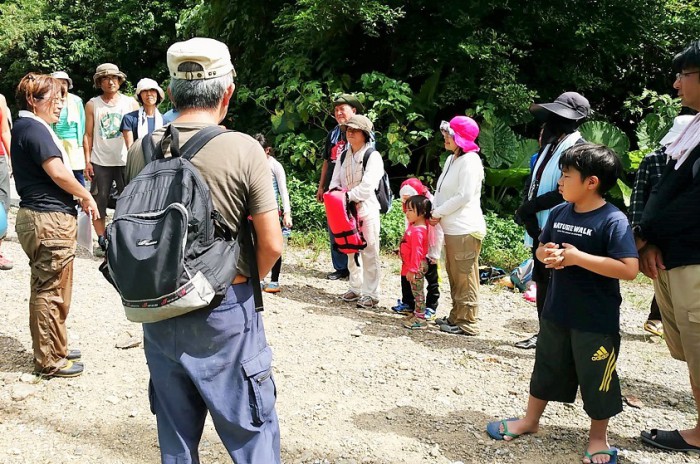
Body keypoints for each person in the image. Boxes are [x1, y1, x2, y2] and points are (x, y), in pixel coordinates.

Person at [124, 37, 282, 463]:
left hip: (156, 307)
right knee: (251, 434)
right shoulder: (244, 148)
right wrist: (245, 277)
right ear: (226, 92)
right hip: (224, 309)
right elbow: (271, 243)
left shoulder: (141, 149)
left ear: (172, 92)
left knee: (175, 440)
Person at [486, 143, 638, 464]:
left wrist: (579, 258)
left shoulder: (613, 220)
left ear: (591, 182)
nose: (560, 182)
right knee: (546, 366)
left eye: (566, 175)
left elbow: (629, 268)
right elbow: (541, 250)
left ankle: (598, 438)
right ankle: (529, 420)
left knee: (598, 378)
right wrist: (548, 255)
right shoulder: (558, 211)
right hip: (556, 310)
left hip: (595, 320)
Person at [11, 73, 100, 377]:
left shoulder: (29, 128)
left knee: (50, 287)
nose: (61, 104)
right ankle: (50, 359)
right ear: (32, 101)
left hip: (41, 218)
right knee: (51, 290)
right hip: (48, 221)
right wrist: (85, 194)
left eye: (62, 97)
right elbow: (59, 173)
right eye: (55, 97)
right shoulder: (34, 130)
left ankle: (55, 347)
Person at [638, 40, 700, 454]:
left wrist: (648, 232)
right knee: (692, 351)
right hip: (675, 256)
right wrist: (646, 239)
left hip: (695, 258)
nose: (675, 83)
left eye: (683, 74)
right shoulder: (691, 128)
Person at [513, 92, 590, 350]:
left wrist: (531, 207)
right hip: (541, 225)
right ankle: (545, 333)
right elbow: (534, 181)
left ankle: (558, 337)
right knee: (542, 280)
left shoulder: (577, 149)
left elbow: (565, 191)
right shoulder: (550, 146)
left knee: (558, 283)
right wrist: (528, 213)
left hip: (561, 225)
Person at [629, 111, 694, 337]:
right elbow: (638, 201)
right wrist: (642, 240)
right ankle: (657, 318)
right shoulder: (653, 160)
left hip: (686, 240)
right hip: (653, 235)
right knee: (660, 275)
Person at [431, 116, 486, 336]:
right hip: (452, 228)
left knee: (465, 276)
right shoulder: (453, 158)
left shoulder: (471, 161)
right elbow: (443, 191)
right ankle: (457, 315)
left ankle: (467, 322)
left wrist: (437, 212)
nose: (445, 137)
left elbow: (463, 196)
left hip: (464, 229)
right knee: (454, 274)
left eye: (450, 134)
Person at [328, 114, 383, 309]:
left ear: (365, 134)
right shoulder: (343, 154)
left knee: (369, 250)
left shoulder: (372, 156)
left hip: (366, 208)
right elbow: (335, 181)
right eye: (348, 130)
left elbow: (368, 187)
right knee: (350, 248)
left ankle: (372, 293)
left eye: (354, 130)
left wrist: (344, 196)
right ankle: (355, 287)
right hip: (346, 210)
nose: (349, 133)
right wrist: (337, 196)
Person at [84, 63, 138, 251]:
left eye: (114, 78)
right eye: (106, 78)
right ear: (99, 82)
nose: (111, 82)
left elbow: (138, 132)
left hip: (125, 159)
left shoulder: (130, 102)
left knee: (129, 199)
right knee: (99, 200)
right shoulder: (93, 104)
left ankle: (125, 238)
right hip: (100, 160)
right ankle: (101, 240)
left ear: (120, 81)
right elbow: (88, 134)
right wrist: (87, 161)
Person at [316, 94, 364, 281]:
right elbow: (327, 161)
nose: (338, 113)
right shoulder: (333, 134)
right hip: (334, 189)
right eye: (336, 110)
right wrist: (322, 186)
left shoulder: (364, 130)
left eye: (341, 109)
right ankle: (340, 267)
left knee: (357, 227)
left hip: (355, 188)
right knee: (335, 226)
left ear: (353, 111)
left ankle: (358, 268)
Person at [392, 178, 442, 320]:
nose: (405, 206)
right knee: (406, 279)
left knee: (430, 281)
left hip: (427, 254)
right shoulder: (411, 210)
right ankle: (408, 303)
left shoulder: (427, 208)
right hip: (410, 256)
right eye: (404, 200)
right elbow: (408, 231)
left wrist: (434, 254)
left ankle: (430, 307)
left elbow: (437, 234)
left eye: (409, 200)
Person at [254, 133, 292, 293]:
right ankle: (259, 277)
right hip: (253, 211)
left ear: (267, 150)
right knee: (256, 244)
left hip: (271, 211)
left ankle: (274, 280)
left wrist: (287, 213)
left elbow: (283, 190)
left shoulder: (275, 165)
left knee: (273, 244)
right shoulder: (251, 164)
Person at [400, 195, 433, 330]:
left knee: (418, 292)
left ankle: (420, 318)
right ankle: (416, 313)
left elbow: (417, 252)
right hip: (411, 265)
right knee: (415, 291)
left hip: (416, 266)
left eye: (411, 210)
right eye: (406, 210)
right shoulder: (414, 227)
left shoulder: (419, 231)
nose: (407, 213)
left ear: (422, 213)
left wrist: (413, 270)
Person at [50, 71, 87, 186]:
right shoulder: (48, 100)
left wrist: (81, 144)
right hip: (55, 140)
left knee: (77, 173)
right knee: (58, 172)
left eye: (64, 83)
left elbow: (82, 123)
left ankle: (81, 200)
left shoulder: (76, 101)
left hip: (73, 142)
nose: (61, 86)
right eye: (58, 83)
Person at [120, 78, 165, 149]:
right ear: (140, 95)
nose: (149, 94)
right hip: (137, 158)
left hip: (160, 159)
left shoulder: (165, 120)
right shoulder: (129, 118)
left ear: (157, 94)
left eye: (152, 90)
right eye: (145, 91)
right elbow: (130, 148)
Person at [0, 85, 12, 270]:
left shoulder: (0, 99)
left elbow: (4, 131)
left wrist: (12, 158)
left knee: (3, 202)